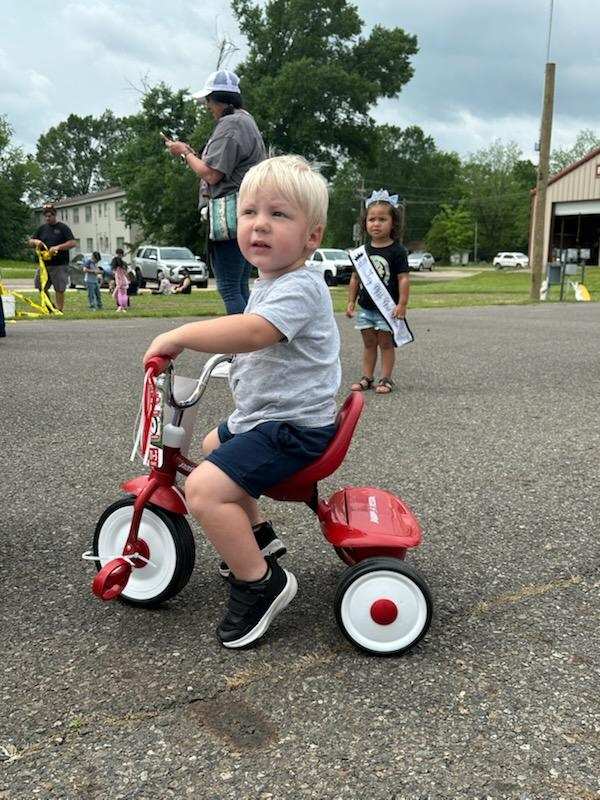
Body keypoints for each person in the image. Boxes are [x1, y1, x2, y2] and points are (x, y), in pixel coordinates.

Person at [143, 155, 340, 649]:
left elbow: (256, 332)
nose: (259, 225)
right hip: (272, 417)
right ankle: (259, 537)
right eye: (249, 212)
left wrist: (181, 335)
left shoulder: (299, 286)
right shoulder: (271, 282)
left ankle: (262, 584)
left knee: (204, 490)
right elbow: (263, 345)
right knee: (212, 442)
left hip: (292, 428)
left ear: (311, 237)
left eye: (279, 214)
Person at [163, 69, 266, 316]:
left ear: (217, 99)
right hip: (246, 211)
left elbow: (211, 174)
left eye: (208, 101)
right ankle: (250, 345)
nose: (207, 107)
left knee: (229, 287)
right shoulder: (246, 120)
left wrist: (185, 154)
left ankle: (242, 348)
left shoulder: (230, 124)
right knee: (240, 285)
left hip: (229, 215)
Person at [346, 190, 410, 395]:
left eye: (382, 219)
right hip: (366, 307)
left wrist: (402, 304)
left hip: (387, 308)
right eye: (371, 219)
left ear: (393, 223)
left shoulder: (398, 250)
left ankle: (386, 378)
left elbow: (403, 278)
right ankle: (367, 377)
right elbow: (355, 278)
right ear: (365, 223)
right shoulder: (362, 252)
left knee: (386, 343)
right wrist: (351, 302)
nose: (376, 223)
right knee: (369, 343)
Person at [28, 203, 77, 312]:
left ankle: (59, 310)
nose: (47, 218)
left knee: (59, 289)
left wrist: (58, 247)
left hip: (59, 264)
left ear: (55, 215)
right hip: (43, 265)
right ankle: (49, 307)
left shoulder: (63, 228)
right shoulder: (42, 229)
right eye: (46, 216)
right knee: (41, 286)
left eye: (50, 216)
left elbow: (73, 243)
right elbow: (30, 242)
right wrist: (35, 242)